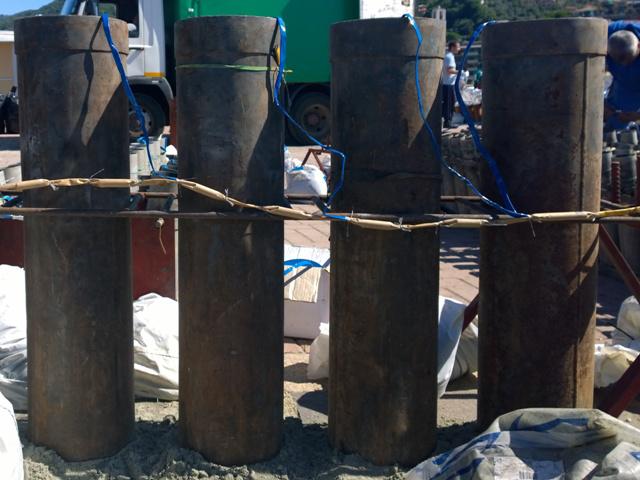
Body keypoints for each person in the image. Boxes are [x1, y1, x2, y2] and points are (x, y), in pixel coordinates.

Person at [606, 22, 640, 130]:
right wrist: (601, 104)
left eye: (628, 60)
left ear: (639, 46)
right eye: (619, 61)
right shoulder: (605, 33)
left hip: (636, 86)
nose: (624, 64)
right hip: (622, 85)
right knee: (616, 122)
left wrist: (638, 115)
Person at [442, 40, 460, 129]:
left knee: (448, 103)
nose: (459, 49)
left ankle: (447, 121)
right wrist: (460, 72)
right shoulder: (450, 57)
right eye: (458, 47)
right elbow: (450, 70)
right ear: (452, 47)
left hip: (446, 83)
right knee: (449, 103)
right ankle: (448, 122)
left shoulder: (447, 55)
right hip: (448, 84)